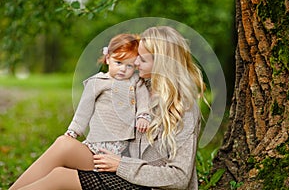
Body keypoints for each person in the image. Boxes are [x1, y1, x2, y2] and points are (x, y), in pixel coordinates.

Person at [10, 26, 206, 190]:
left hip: (147, 185)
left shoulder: (184, 108)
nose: (135, 63)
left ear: (163, 65)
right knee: (64, 144)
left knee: (60, 177)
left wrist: (122, 165)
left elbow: (180, 178)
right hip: (121, 166)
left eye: (143, 59)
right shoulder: (140, 87)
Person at [9, 33, 151, 189]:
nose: (123, 69)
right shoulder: (98, 82)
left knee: (62, 158)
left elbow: (144, 100)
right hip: (95, 149)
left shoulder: (136, 83)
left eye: (129, 65)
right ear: (108, 58)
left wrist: (143, 116)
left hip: (121, 155)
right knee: (63, 142)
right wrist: (73, 131)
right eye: (118, 62)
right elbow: (83, 111)